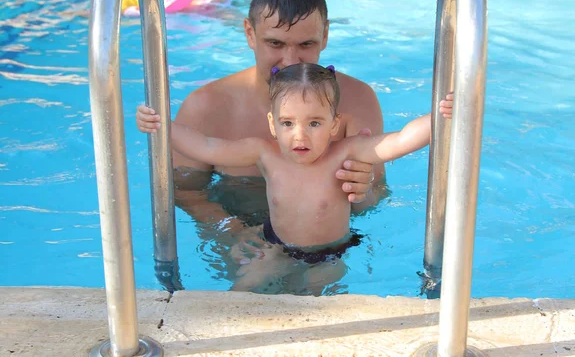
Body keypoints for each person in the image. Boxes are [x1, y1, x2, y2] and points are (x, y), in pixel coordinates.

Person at [137, 0, 454, 226]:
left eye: (306, 44)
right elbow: (185, 193)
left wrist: (363, 190)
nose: (290, 61)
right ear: (250, 34)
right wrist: (230, 232)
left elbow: (375, 197)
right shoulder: (206, 108)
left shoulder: (357, 101)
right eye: (275, 43)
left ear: (325, 36)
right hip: (241, 232)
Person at [137, 63, 452, 291]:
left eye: (314, 123)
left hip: (329, 256)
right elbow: (206, 147)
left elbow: (400, 140)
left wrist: (442, 114)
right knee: (241, 294)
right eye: (288, 123)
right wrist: (161, 125)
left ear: (333, 124)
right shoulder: (263, 153)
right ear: (273, 125)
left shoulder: (347, 151)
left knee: (318, 308)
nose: (299, 135)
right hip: (276, 247)